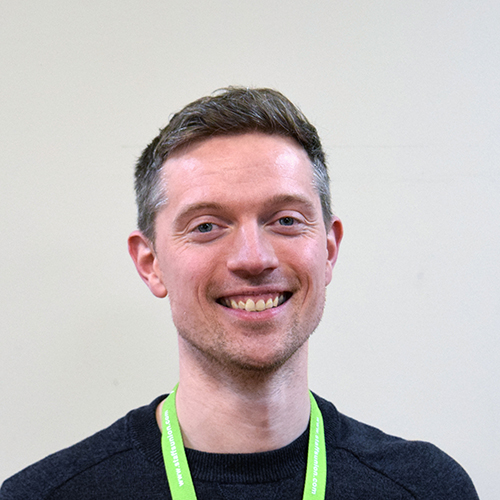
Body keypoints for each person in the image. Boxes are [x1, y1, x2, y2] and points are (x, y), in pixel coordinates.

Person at [0, 87, 479, 499]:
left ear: (328, 249)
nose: (253, 258)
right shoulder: (44, 494)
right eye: (207, 226)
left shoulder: (426, 488)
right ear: (151, 264)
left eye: (286, 220)